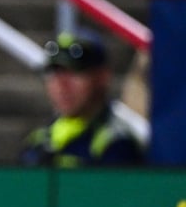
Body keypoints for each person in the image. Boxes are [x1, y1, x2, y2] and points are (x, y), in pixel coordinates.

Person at [19, 30, 146, 167]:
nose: (62, 85)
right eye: (54, 74)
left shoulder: (118, 143)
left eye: (74, 73)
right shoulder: (38, 140)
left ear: (102, 77)